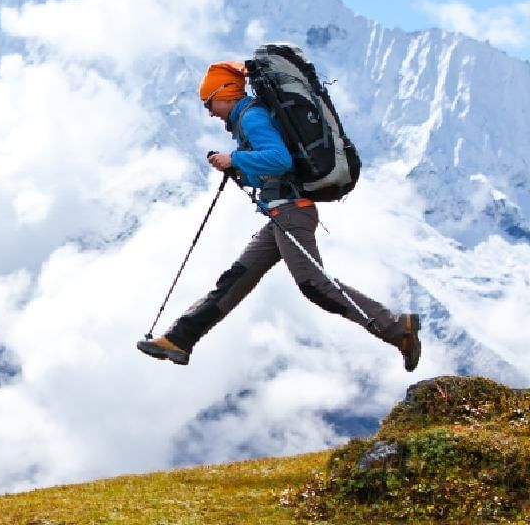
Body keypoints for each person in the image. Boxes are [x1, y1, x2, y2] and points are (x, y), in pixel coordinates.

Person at [137, 61, 421, 371]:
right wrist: (238, 167)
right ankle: (179, 339)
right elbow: (271, 167)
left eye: (210, 102)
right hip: (279, 214)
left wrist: (234, 158)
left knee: (313, 284)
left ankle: (397, 328)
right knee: (234, 281)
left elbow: (279, 160)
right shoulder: (249, 117)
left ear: (225, 93)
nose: (209, 111)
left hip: (290, 213)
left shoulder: (252, 117)